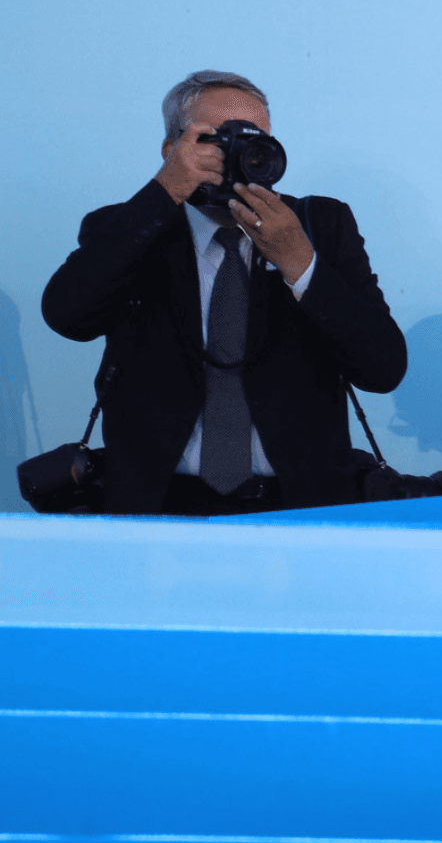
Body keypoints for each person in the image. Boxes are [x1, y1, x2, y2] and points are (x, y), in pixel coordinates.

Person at [41, 71, 407, 516]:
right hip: (157, 503)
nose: (238, 156)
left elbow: (382, 367)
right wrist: (163, 193)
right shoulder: (129, 226)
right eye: (216, 140)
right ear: (171, 148)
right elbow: (67, 315)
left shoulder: (320, 225)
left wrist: (300, 262)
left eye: (257, 142)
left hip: (300, 504)